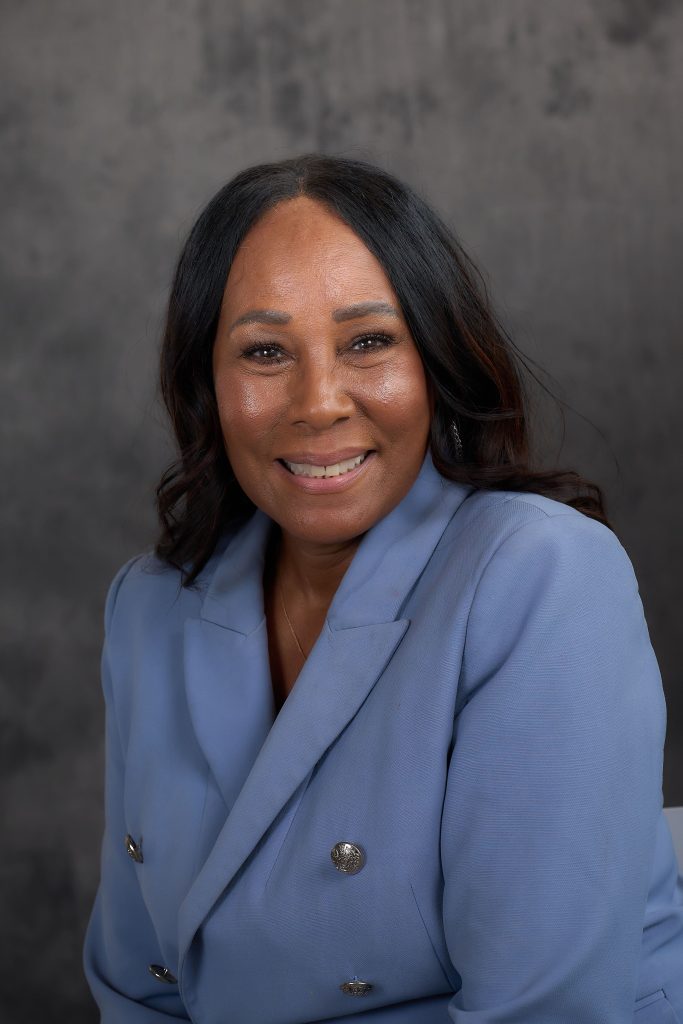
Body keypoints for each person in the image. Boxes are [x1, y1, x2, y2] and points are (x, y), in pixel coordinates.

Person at [83, 153, 683, 1023]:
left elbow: (544, 1011)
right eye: (263, 351)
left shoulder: (539, 575)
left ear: (438, 361)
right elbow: (140, 989)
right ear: (205, 385)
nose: (318, 402)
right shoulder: (149, 607)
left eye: (368, 341)